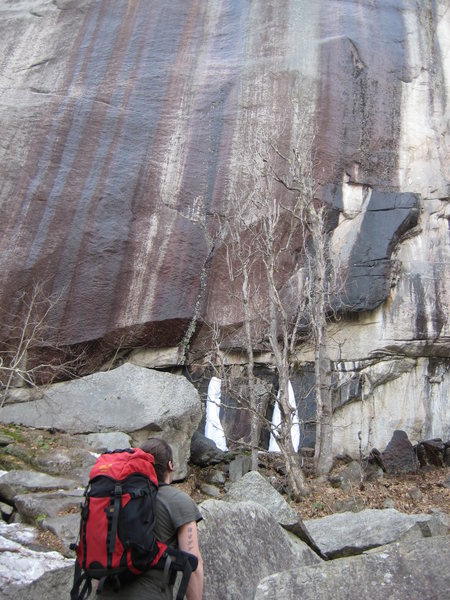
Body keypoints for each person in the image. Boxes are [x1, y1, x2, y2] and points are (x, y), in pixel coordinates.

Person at [101, 438, 204, 600]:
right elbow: (193, 564)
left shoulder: (116, 498)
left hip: (105, 593)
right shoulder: (178, 501)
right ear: (170, 466)